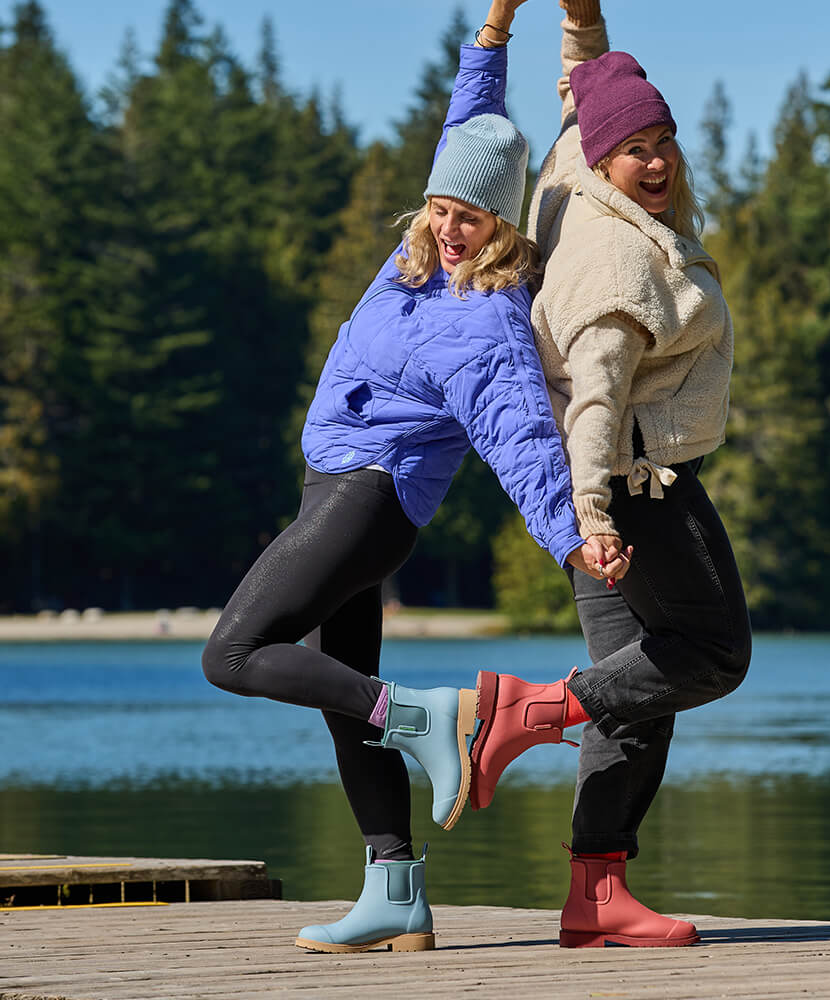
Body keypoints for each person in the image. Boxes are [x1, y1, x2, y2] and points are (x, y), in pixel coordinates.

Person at [202, 0, 622, 955]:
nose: (450, 226)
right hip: (337, 491)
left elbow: (521, 438)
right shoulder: (416, 257)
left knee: (233, 654)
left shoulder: (485, 316)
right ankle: (394, 891)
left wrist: (572, 535)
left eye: (471, 216)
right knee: (340, 696)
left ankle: (430, 716)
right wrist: (495, 29)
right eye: (441, 207)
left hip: (368, 500)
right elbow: (470, 127)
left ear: (503, 222)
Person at [467, 0, 752, 949]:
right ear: (605, 158)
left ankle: (596, 897)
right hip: (634, 485)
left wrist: (580, 21)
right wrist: (594, 518)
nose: (659, 162)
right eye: (638, 150)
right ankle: (525, 711)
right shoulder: (620, 262)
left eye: (665, 142)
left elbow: (579, 96)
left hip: (589, 492)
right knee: (711, 653)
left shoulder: (572, 174)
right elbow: (596, 399)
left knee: (637, 686)